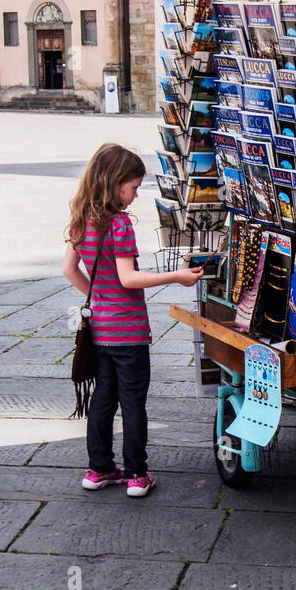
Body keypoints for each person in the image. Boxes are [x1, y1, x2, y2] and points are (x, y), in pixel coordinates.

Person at [62, 144, 203, 496]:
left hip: (100, 330)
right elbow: (128, 278)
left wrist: (96, 298)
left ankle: (98, 470)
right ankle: (137, 475)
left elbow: (68, 269)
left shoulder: (81, 219)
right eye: (134, 187)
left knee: (103, 400)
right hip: (129, 333)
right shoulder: (119, 225)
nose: (136, 195)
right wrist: (176, 277)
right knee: (133, 403)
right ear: (114, 183)